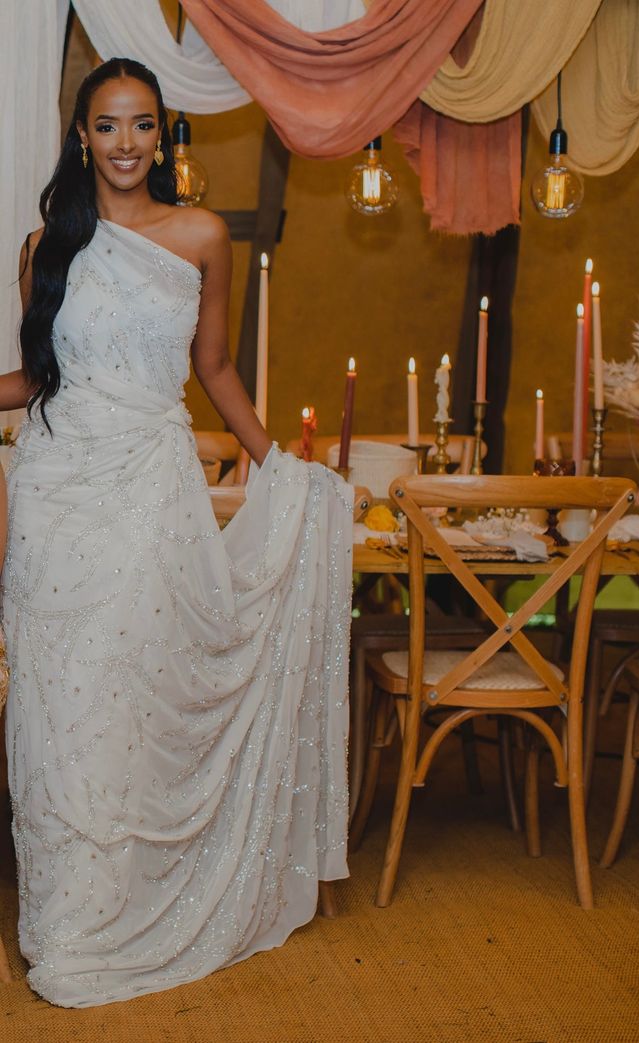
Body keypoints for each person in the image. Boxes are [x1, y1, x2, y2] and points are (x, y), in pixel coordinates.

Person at [1, 58, 351, 1008]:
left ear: (163, 137)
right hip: (57, 496)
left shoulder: (200, 234)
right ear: (82, 135)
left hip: (151, 489)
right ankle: (69, 915)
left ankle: (133, 901)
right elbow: (40, 381)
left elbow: (217, 368)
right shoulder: (48, 245)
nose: (125, 143)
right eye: (107, 125)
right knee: (61, 706)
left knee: (140, 691)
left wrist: (283, 467)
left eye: (142, 125)